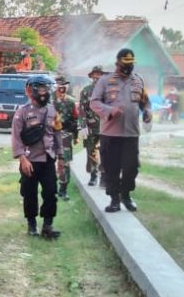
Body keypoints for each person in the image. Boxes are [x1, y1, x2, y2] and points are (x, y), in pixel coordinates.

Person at [91, 49, 151, 213]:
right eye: (125, 63)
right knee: (111, 168)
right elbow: (94, 102)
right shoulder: (104, 80)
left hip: (131, 134)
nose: (128, 66)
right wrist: (110, 110)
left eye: (130, 63)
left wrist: (147, 111)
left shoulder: (138, 81)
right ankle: (114, 199)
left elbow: (145, 102)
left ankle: (126, 195)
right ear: (117, 63)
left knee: (131, 167)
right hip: (110, 134)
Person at [12, 74, 62, 239]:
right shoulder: (22, 112)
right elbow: (16, 137)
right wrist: (22, 158)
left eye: (47, 89)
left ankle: (48, 225)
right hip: (30, 160)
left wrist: (60, 157)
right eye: (41, 88)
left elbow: (57, 135)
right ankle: (31, 224)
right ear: (32, 90)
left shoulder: (53, 111)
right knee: (29, 193)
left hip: (47, 159)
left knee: (50, 192)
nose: (45, 92)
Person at [52, 75, 80, 201]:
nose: (61, 87)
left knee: (64, 163)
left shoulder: (70, 101)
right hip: (50, 135)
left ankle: (63, 190)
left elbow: (75, 119)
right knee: (47, 162)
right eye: (59, 85)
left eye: (63, 85)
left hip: (65, 135)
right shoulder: (48, 99)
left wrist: (75, 136)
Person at [79, 66, 104, 187]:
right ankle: (93, 176)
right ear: (92, 76)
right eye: (95, 74)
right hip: (91, 127)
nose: (97, 77)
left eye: (99, 74)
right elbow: (82, 109)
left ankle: (104, 178)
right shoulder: (86, 91)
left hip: (106, 127)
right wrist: (83, 125)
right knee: (91, 152)